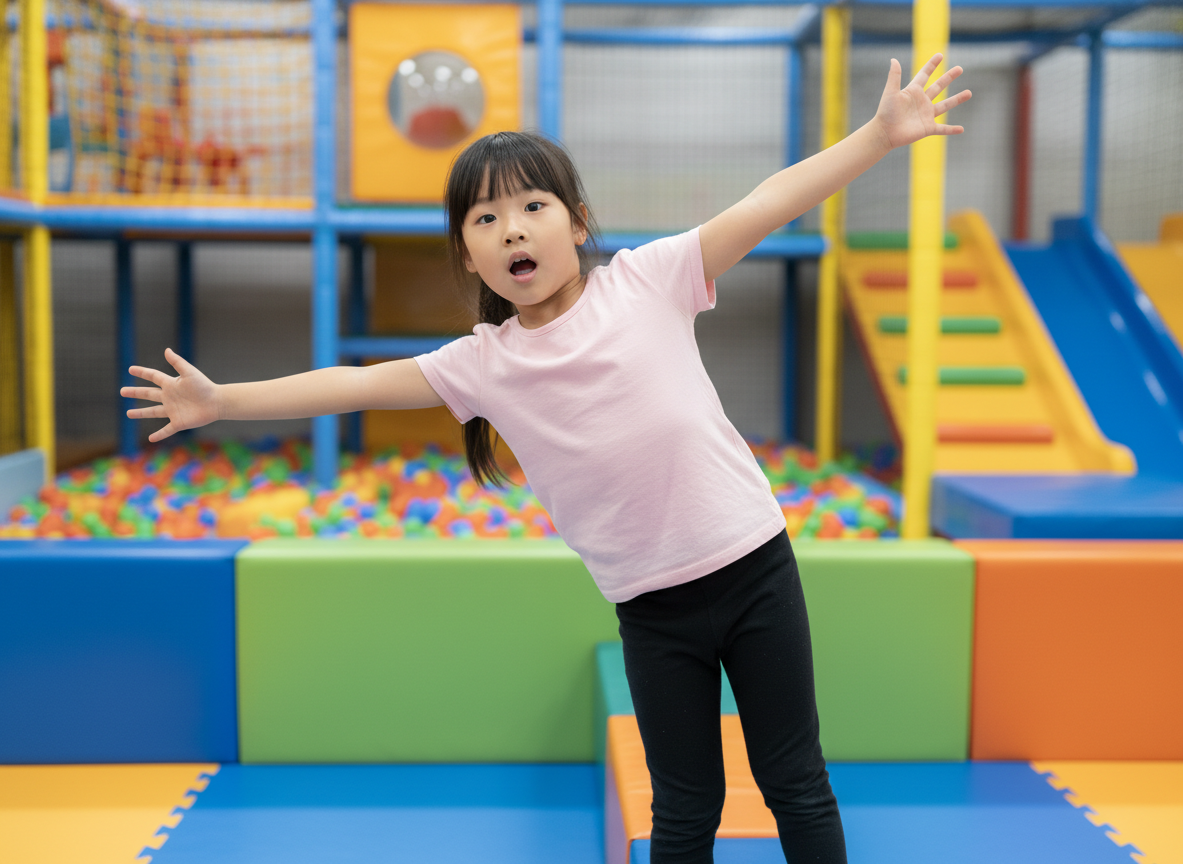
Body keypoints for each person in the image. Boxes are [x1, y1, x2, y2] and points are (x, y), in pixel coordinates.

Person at [122, 54, 970, 864]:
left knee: (795, 781)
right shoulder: (482, 363)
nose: (511, 229)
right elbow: (353, 385)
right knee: (684, 805)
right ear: (468, 255)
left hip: (754, 569)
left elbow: (768, 201)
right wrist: (224, 400)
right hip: (651, 609)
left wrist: (879, 136)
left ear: (575, 222)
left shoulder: (649, 281)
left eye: (531, 206)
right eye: (485, 220)